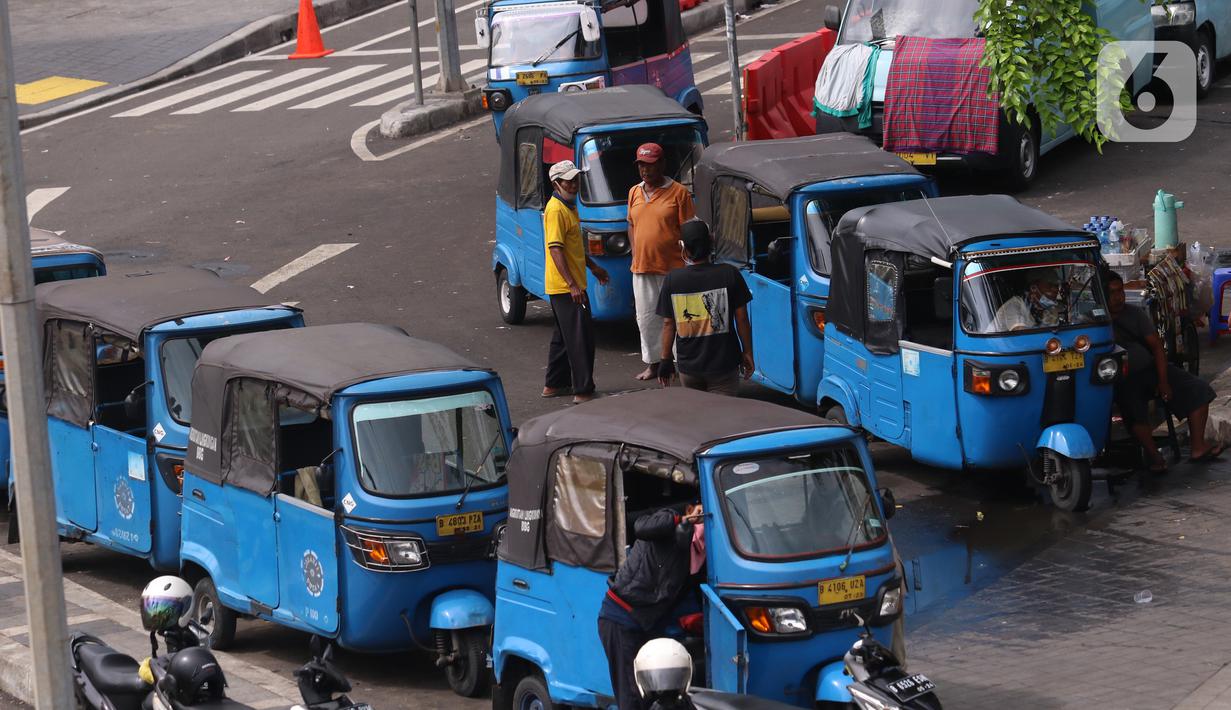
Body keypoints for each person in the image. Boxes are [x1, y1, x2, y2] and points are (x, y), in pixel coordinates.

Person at [1107, 271, 1223, 473]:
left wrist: (1163, 381)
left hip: (1150, 369)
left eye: (1120, 291)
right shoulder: (1095, 321)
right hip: (1123, 378)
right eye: (1112, 293)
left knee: (1200, 389)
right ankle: (1155, 457)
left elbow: (1157, 348)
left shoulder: (1135, 315)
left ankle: (1198, 446)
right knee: (1134, 412)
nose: (1118, 297)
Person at [599, 503, 703, 710]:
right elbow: (641, 527)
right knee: (632, 696)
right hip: (621, 618)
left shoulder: (693, 556)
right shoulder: (667, 519)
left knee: (658, 693)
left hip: (647, 624)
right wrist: (680, 520)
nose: (701, 521)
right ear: (690, 508)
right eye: (699, 512)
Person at [655, 221, 753, 395]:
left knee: (697, 418)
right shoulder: (729, 274)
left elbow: (668, 325)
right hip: (724, 365)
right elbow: (742, 318)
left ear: (684, 248)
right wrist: (747, 352)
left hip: (689, 367)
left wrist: (665, 360)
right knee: (724, 416)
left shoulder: (673, 280)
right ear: (711, 242)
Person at [543, 159, 610, 404]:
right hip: (565, 287)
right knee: (581, 338)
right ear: (556, 183)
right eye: (568, 181)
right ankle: (583, 390)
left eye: (575, 180)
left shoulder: (569, 207)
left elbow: (575, 247)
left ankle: (554, 383)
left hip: (567, 284)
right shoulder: (556, 210)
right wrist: (572, 284)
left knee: (563, 337)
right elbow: (556, 249)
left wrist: (593, 267)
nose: (574, 185)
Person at [628, 143, 696, 381]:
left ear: (662, 164)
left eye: (650, 165)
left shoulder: (678, 193)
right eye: (641, 166)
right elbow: (631, 223)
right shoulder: (634, 192)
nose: (645, 171)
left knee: (678, 318)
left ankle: (679, 363)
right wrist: (636, 251)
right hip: (642, 267)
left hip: (673, 268)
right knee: (646, 318)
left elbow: (689, 229)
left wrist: (690, 264)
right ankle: (654, 363)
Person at [988, 268, 1065, 332]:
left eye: (1056, 286)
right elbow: (1022, 334)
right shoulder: (1013, 306)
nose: (1055, 290)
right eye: (1050, 286)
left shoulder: (1047, 310)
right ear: (1033, 288)